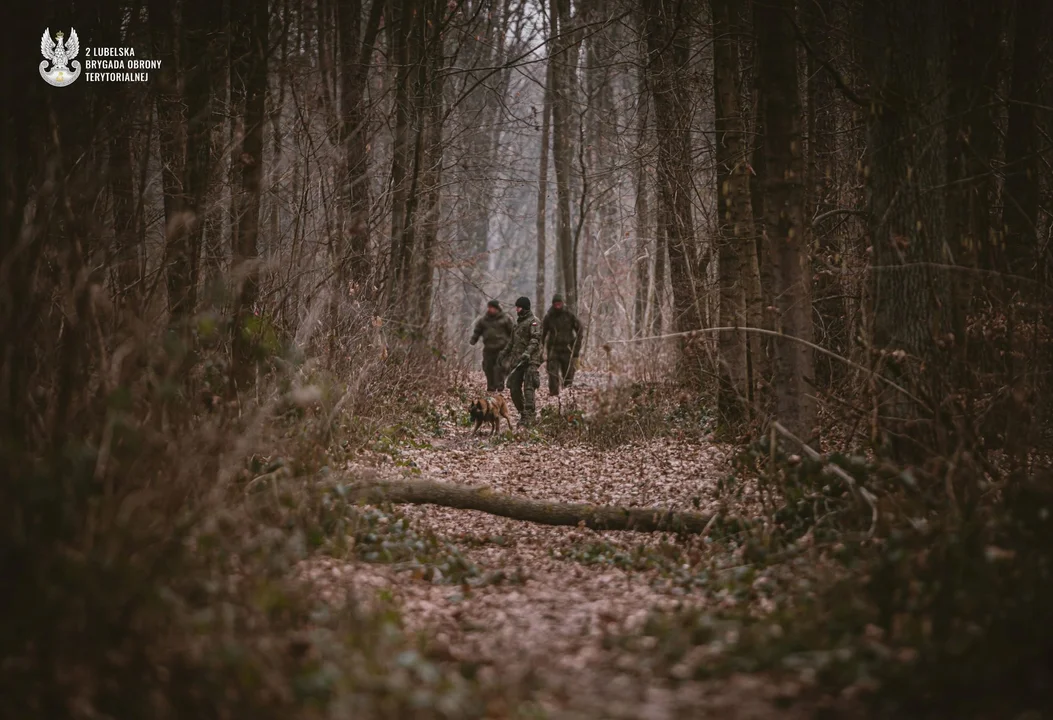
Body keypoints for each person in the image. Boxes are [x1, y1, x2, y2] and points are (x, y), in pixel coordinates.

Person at [498, 296, 542, 427]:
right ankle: (523, 414)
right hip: (517, 361)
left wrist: (527, 353)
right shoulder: (517, 325)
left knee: (529, 387)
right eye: (516, 307)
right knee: (513, 387)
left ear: (525, 308)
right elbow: (511, 343)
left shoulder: (534, 322)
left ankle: (530, 415)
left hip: (530, 360)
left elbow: (535, 339)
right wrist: (503, 353)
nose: (517, 309)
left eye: (519, 307)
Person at [541, 293, 584, 396]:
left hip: (567, 349)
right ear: (553, 304)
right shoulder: (549, 316)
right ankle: (554, 395)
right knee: (552, 374)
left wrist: (576, 349)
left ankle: (567, 395)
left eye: (559, 304)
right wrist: (541, 348)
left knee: (568, 375)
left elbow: (579, 329)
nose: (557, 306)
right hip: (553, 349)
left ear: (562, 303)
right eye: (555, 304)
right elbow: (542, 333)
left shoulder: (569, 315)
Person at [469, 299, 515, 392]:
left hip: (502, 348)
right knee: (488, 367)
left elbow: (513, 332)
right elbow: (478, 330)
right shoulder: (483, 320)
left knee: (500, 367)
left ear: (497, 309)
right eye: (489, 308)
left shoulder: (505, 319)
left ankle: (500, 384)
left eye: (493, 308)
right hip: (489, 348)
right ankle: (491, 386)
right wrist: (474, 339)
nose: (490, 310)